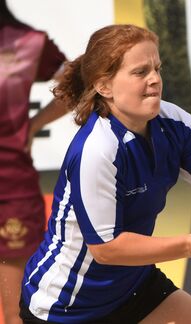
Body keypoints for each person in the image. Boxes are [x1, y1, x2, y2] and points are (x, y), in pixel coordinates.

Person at [19, 24, 191, 323]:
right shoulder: (97, 148)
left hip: (132, 286)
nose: (154, 79)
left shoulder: (173, 121)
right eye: (140, 72)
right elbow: (106, 249)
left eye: (156, 68)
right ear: (104, 86)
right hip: (66, 307)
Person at [0, 2, 69, 323]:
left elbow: (73, 81)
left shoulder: (27, 42)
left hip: (10, 183)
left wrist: (35, 124)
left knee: (19, 314)